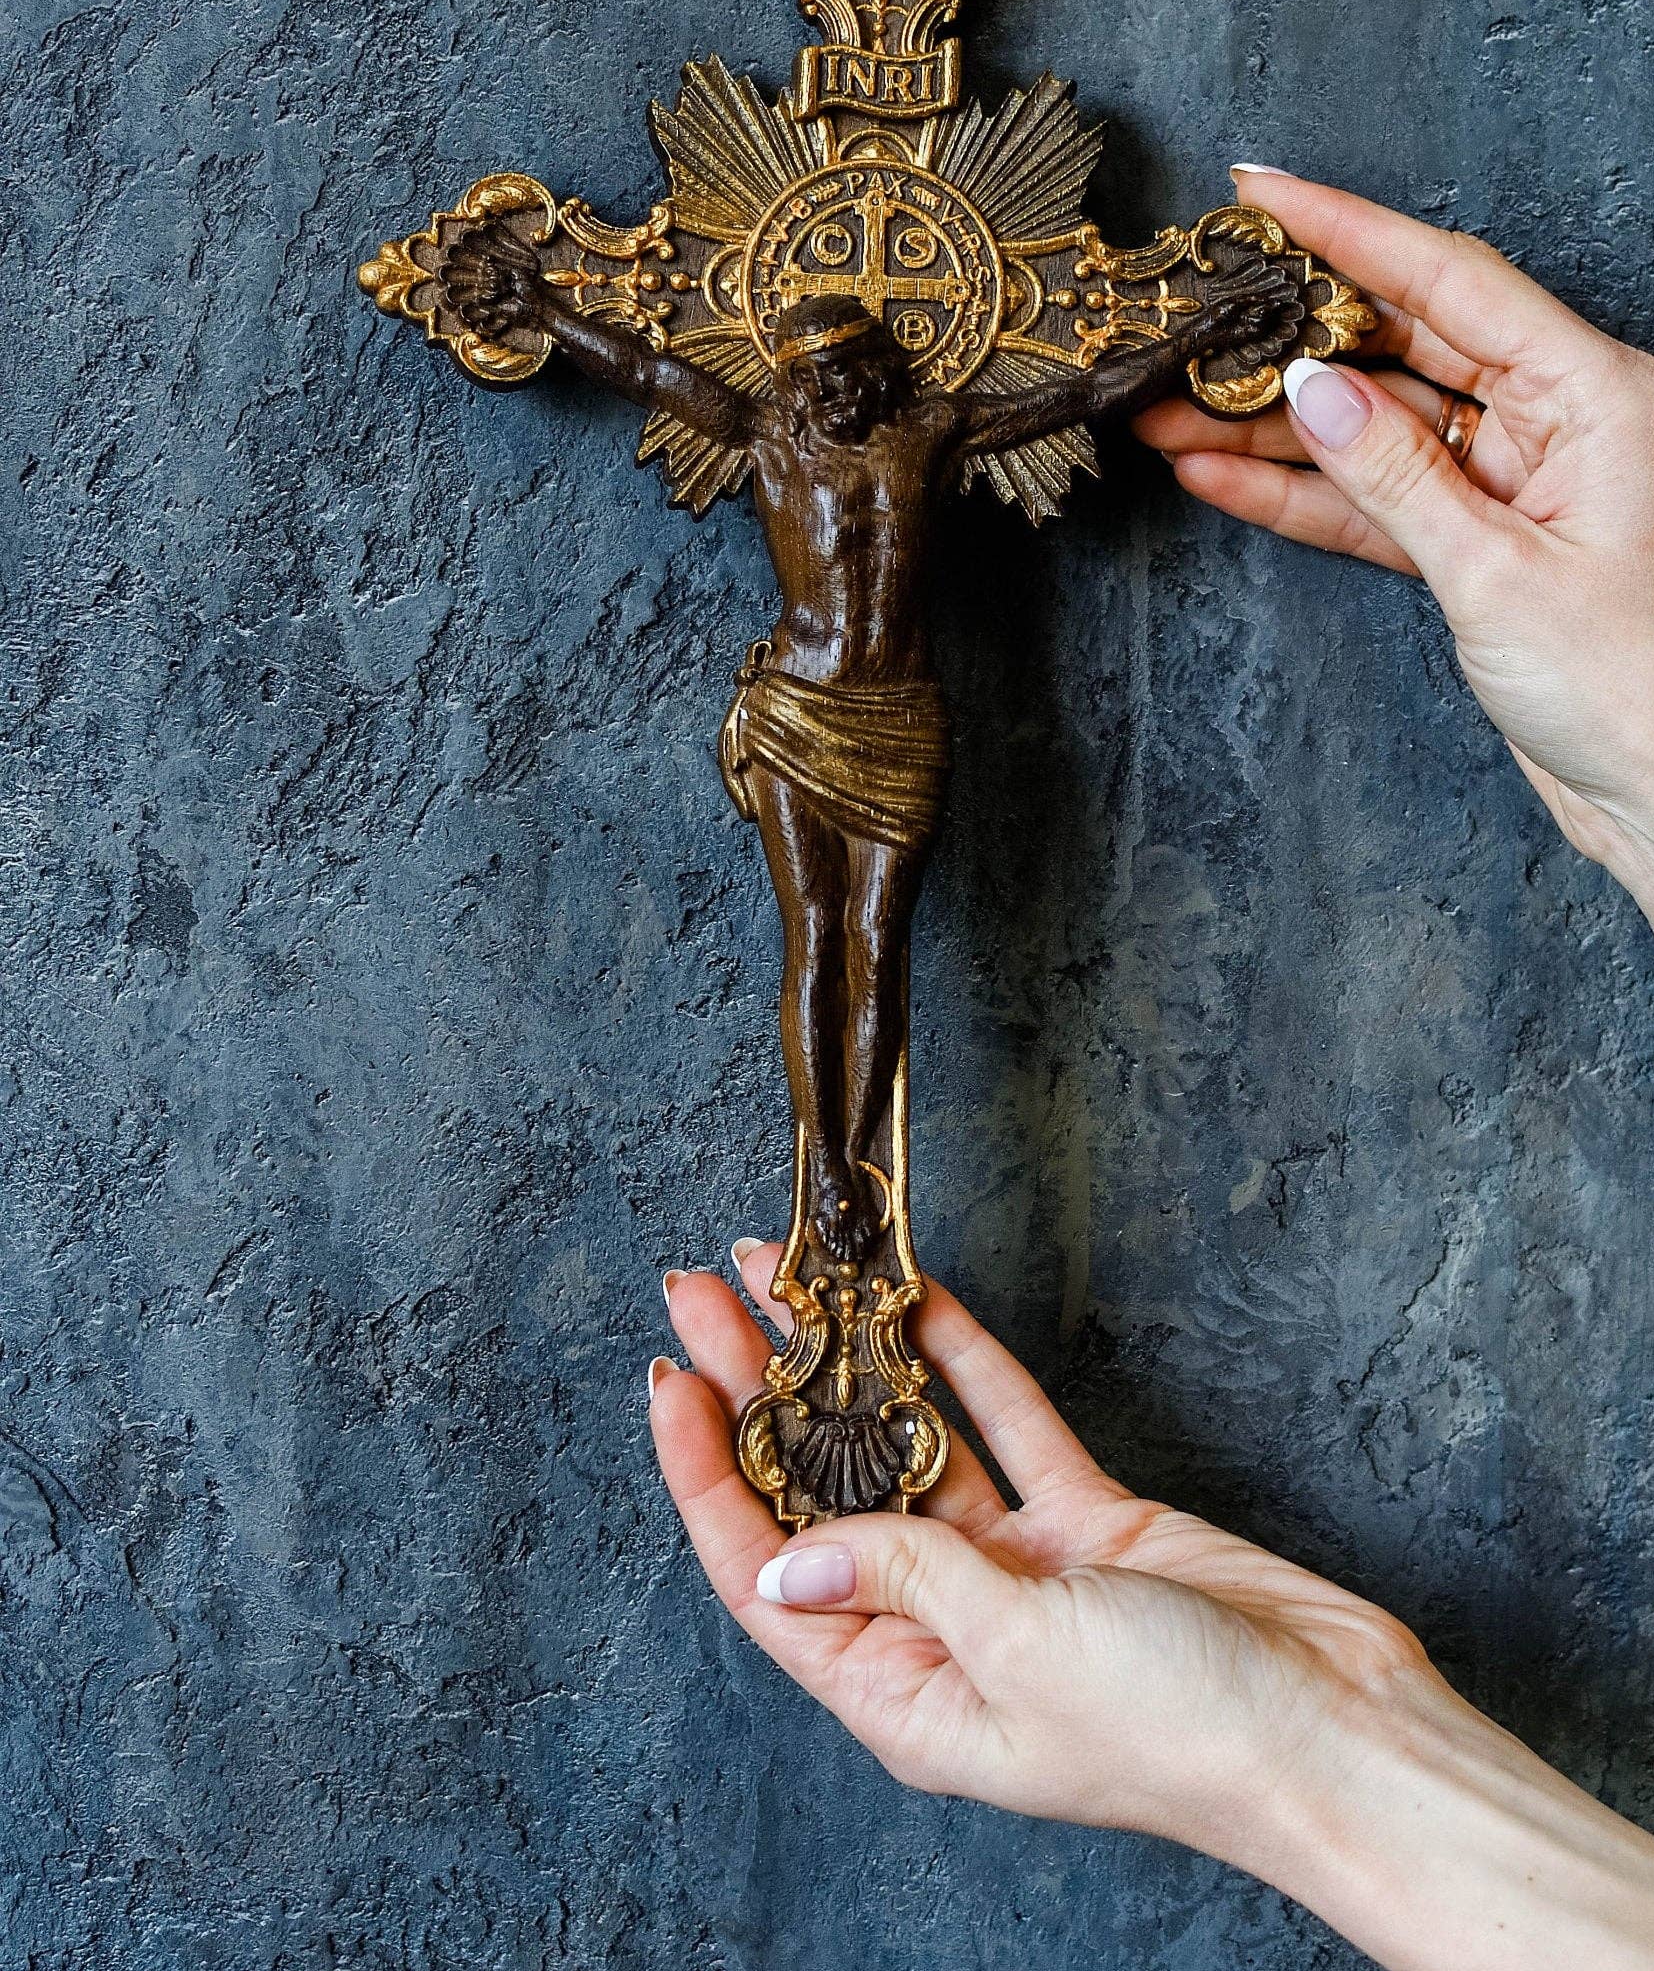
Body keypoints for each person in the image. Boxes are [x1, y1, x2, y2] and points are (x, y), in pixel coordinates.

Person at [646, 168, 1654, 1971]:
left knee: (861, 996)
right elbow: (613, 318)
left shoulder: (931, 412)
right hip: (809, 714)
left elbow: (1077, 351)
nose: (842, 362)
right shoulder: (796, 415)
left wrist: (1312, 1767)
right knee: (833, 998)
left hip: (888, 732)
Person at [441, 228, 1295, 1259]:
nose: (831, 392)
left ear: (880, 365)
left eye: (845, 371)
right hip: (796, 710)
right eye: (811, 377)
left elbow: (1079, 395)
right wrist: (540, 308)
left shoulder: (933, 430)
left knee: (881, 939)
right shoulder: (764, 433)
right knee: (813, 934)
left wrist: (1197, 330)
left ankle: (853, 1146)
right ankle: (830, 1173)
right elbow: (646, 369)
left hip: (902, 714)